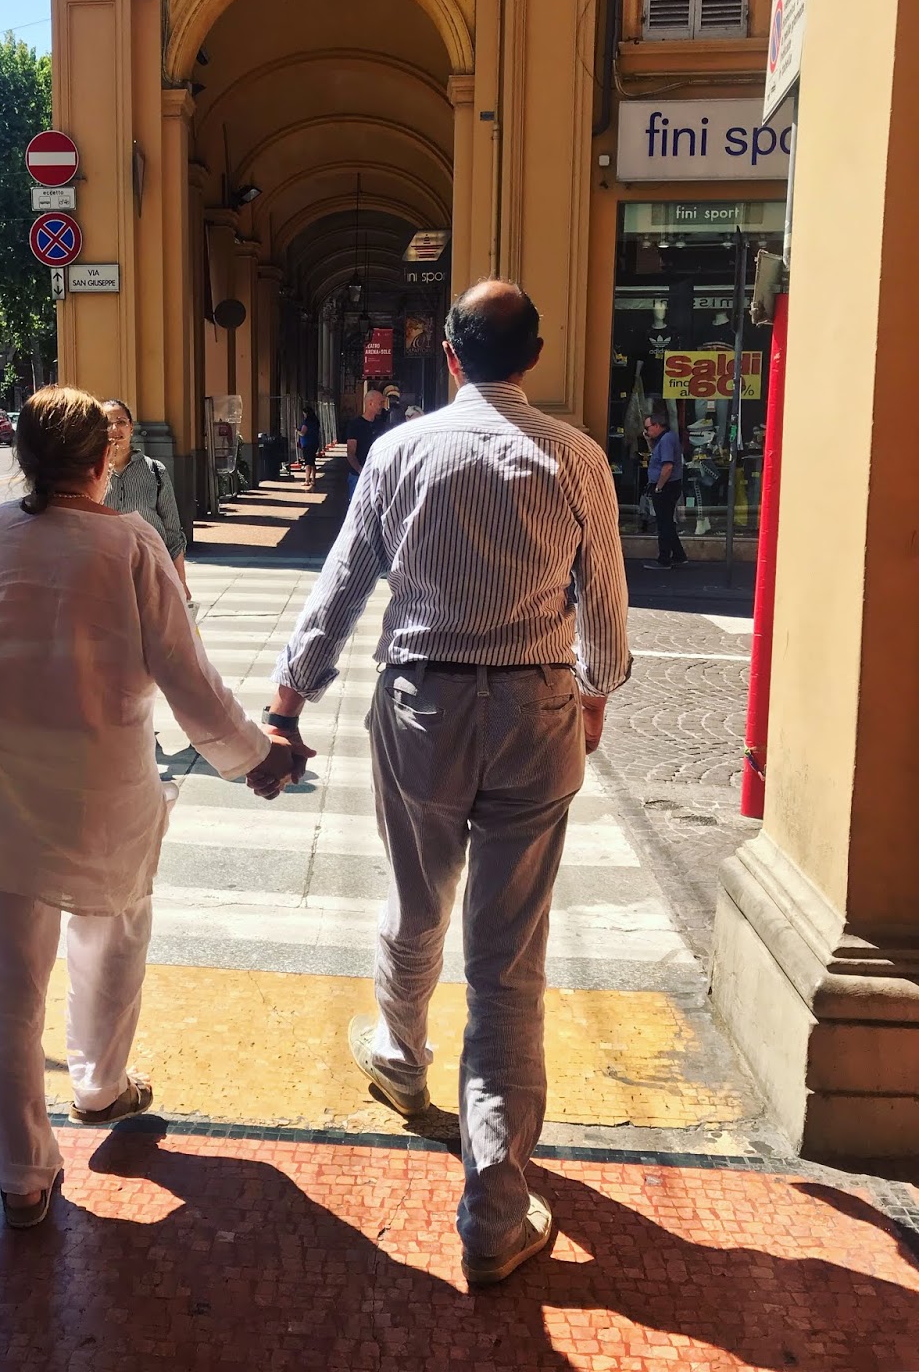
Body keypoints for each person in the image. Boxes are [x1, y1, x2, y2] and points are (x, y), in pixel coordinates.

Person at [263, 280, 630, 1287]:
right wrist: (593, 692)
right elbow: (604, 608)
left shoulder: (400, 451)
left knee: (416, 895)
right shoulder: (575, 456)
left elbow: (341, 585)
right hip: (535, 708)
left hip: (421, 705)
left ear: (451, 356)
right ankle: (495, 1213)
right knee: (507, 961)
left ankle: (398, 1052)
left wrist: (288, 700)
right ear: (534, 356)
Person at [0, 385, 298, 1228]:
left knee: (5, 994)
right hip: (106, 797)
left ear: (23, 457)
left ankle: (23, 1178)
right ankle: (100, 1086)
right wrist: (256, 759)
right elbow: (189, 679)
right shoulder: (132, 544)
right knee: (111, 940)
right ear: (104, 459)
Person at [102, 399, 191, 602]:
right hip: (107, 575)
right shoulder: (91, 475)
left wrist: (181, 582)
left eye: (121, 422)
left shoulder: (155, 471)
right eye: (107, 424)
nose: (114, 429)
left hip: (151, 573)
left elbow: (172, 533)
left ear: (131, 428)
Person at [643, 405, 687, 569]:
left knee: (664, 524)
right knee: (666, 521)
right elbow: (657, 455)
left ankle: (664, 559)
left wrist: (659, 487)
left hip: (666, 486)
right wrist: (649, 441)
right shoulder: (666, 439)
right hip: (668, 485)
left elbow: (667, 466)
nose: (646, 431)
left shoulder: (667, 439)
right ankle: (678, 555)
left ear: (656, 425)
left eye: (648, 428)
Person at [344, 388, 385, 502]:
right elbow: (351, 452)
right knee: (357, 507)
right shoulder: (355, 425)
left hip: (377, 475)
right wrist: (360, 470)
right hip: (358, 476)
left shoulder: (381, 424)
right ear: (370, 403)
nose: (382, 406)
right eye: (380, 403)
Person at [297, 404, 322, 490]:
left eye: (304, 413)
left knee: (308, 462)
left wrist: (297, 431)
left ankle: (307, 480)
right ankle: (313, 480)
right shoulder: (316, 421)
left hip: (307, 444)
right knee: (312, 461)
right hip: (314, 443)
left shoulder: (306, 422)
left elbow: (303, 433)